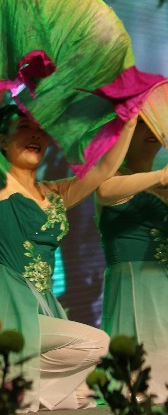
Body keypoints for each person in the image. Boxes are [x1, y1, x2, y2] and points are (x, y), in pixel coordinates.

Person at [0, 97, 137, 411]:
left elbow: (104, 170)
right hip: (5, 302)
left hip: (43, 306)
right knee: (97, 344)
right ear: (1, 140)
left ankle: (13, 388)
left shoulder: (55, 193)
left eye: (40, 130)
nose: (35, 135)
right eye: (24, 128)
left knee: (87, 393)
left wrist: (129, 123)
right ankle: (9, 388)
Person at [95, 117, 168, 403]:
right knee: (137, 385)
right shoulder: (111, 179)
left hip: (163, 285)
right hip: (134, 286)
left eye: (154, 123)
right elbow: (105, 192)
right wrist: (160, 177)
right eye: (141, 124)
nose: (150, 131)